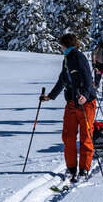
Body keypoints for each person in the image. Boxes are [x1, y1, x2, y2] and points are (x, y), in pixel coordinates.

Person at [40, 32, 97, 182]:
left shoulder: (79, 57)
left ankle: (84, 169)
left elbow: (88, 78)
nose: (61, 48)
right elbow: (62, 80)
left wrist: (85, 94)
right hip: (72, 102)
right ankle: (71, 168)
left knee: (85, 137)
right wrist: (50, 96)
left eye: (62, 46)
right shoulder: (66, 59)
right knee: (68, 136)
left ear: (67, 45)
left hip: (86, 103)